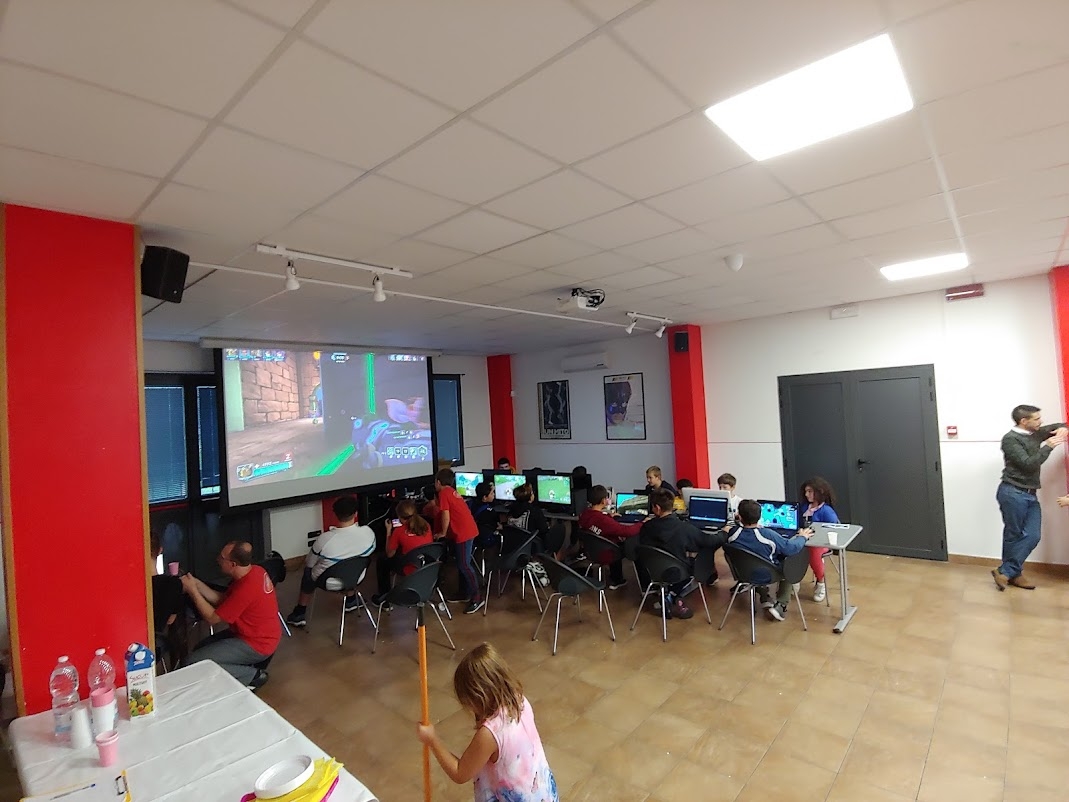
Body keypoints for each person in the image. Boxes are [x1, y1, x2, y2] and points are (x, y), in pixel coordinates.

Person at [417, 642, 558, 801]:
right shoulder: (520, 701)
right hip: (543, 794)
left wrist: (432, 740)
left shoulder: (490, 735)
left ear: (478, 697)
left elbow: (460, 773)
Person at [180, 541, 281, 689]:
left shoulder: (246, 588)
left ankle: (252, 676)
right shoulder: (255, 571)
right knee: (200, 648)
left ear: (233, 564)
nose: (218, 560)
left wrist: (192, 591)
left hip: (257, 643)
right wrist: (196, 584)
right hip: (253, 634)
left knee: (193, 662)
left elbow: (212, 618)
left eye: (222, 558)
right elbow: (224, 601)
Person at [993, 405, 1068, 590]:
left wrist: (1063, 428)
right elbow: (1028, 464)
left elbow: (1062, 425)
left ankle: (1005, 571)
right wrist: (1048, 447)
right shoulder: (1010, 439)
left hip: (1030, 494)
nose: (1041, 422)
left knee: (1033, 535)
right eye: (1037, 419)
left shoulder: (1035, 433)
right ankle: (1014, 574)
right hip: (1012, 492)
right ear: (1024, 421)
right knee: (1013, 535)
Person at [285, 496, 376, 628]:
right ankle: (351, 600)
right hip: (357, 578)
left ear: (335, 515)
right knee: (352, 565)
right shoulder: (368, 533)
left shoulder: (324, 539)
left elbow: (309, 563)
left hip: (328, 582)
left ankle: (299, 613)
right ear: (356, 514)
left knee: (307, 573)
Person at [638, 488, 724, 619]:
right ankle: (673, 595)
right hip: (678, 572)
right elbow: (709, 541)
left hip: (652, 571)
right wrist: (724, 533)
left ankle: (668, 596)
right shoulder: (684, 528)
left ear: (656, 508)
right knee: (700, 560)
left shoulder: (646, 527)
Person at [728, 499, 813, 621]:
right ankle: (781, 605)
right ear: (760, 517)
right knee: (789, 563)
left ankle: (764, 596)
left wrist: (738, 521)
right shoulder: (768, 534)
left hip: (742, 573)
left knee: (751, 562)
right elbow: (791, 548)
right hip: (768, 575)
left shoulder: (732, 533)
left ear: (739, 516)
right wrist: (802, 537)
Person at [577, 484, 646, 590]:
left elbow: (596, 525)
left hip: (590, 551)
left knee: (614, 542)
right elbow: (626, 531)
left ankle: (617, 578)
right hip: (606, 553)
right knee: (633, 546)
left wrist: (609, 516)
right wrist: (642, 523)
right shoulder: (604, 520)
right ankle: (643, 585)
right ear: (603, 501)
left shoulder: (584, 515)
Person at [436, 468, 484, 614]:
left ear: (438, 482)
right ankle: (464, 593)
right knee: (462, 563)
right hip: (467, 531)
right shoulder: (451, 492)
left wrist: (443, 533)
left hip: (463, 533)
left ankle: (477, 597)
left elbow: (445, 515)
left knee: (464, 565)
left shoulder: (444, 493)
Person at [372, 500, 435, 607]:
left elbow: (389, 554)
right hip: (427, 567)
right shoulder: (426, 526)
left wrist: (388, 532)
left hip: (410, 568)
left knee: (383, 560)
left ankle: (384, 598)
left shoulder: (399, 531)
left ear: (400, 517)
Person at [799, 477, 840, 602]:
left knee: (814, 552)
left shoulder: (827, 511)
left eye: (810, 491)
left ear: (819, 492)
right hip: (804, 539)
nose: (807, 495)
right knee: (790, 549)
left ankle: (821, 582)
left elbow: (833, 529)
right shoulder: (803, 507)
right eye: (806, 492)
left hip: (821, 543)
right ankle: (793, 581)